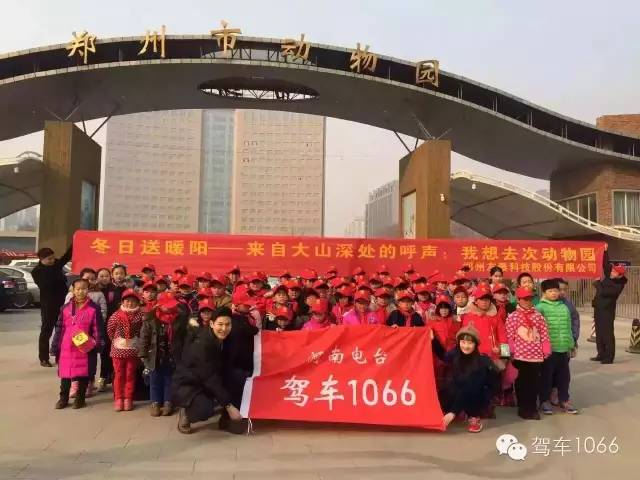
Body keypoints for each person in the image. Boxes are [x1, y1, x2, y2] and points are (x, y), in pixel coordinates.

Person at [172, 307, 243, 435]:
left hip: (212, 376)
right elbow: (209, 377)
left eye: (228, 324)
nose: (224, 328)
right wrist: (229, 406)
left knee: (238, 377)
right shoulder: (202, 343)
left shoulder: (230, 338)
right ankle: (186, 410)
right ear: (211, 324)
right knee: (204, 411)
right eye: (220, 324)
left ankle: (226, 421)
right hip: (191, 382)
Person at [434, 326, 500, 433]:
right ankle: (458, 409)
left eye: (470, 343)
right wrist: (433, 340)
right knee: (447, 391)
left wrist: (453, 412)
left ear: (475, 344)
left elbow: (470, 389)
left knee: (472, 395)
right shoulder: (455, 353)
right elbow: (444, 356)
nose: (466, 346)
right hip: (459, 388)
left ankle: (474, 416)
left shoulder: (481, 361)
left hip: (477, 393)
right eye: (463, 342)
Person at [50, 278, 101, 409]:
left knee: (83, 374)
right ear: (73, 290)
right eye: (78, 289)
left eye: (84, 288)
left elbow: (97, 328)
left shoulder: (94, 308)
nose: (80, 291)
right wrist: (55, 346)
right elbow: (59, 328)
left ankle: (80, 399)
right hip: (66, 347)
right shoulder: (65, 308)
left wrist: (97, 343)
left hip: (84, 346)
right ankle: (63, 398)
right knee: (65, 375)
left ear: (88, 290)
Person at [505, 287, 551, 420]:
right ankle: (523, 408)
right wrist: (511, 351)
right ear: (518, 300)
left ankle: (532, 408)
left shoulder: (538, 316)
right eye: (525, 299)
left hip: (535, 356)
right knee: (521, 383)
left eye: (530, 299)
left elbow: (544, 334)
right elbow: (509, 336)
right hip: (519, 356)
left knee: (534, 383)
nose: (527, 301)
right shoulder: (513, 317)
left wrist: (546, 349)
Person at [536, 279, 578, 414]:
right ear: (544, 293)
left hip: (563, 348)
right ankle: (544, 400)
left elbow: (568, 327)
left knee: (564, 377)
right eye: (550, 291)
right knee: (546, 377)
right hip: (548, 350)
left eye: (556, 290)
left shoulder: (564, 307)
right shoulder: (540, 308)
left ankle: (564, 400)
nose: (554, 293)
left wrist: (571, 345)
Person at [65, 268, 107, 399]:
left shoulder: (98, 295)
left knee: (89, 361)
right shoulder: (70, 296)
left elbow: (103, 312)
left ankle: (89, 383)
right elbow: (65, 314)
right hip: (74, 333)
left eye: (92, 279)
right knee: (74, 361)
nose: (89, 281)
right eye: (86, 278)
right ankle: (74, 384)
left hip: (90, 333)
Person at [139, 293, 181, 417]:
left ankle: (168, 401)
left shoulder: (178, 318)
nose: (169, 308)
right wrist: (143, 353)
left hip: (170, 355)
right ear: (160, 305)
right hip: (154, 355)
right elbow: (144, 337)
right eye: (167, 306)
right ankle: (155, 402)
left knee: (169, 379)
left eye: (171, 306)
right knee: (154, 380)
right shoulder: (150, 319)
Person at [32, 244, 73, 367]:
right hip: (49, 305)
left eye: (53, 258)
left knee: (63, 331)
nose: (52, 260)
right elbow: (45, 285)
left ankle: (60, 356)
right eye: (49, 259)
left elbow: (67, 256)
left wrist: (76, 241)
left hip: (63, 304)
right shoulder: (37, 271)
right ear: (41, 259)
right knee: (46, 331)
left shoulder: (56, 264)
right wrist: (54, 271)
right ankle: (44, 358)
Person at [107, 289, 145, 412]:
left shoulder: (141, 315)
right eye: (127, 301)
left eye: (133, 301)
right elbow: (110, 330)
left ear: (137, 302)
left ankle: (128, 398)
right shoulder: (116, 315)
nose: (130, 303)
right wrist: (116, 340)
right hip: (118, 351)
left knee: (130, 375)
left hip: (133, 350)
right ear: (122, 302)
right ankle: (119, 398)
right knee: (119, 375)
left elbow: (143, 330)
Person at [592, 249, 628, 364]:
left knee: (607, 334)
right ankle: (601, 354)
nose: (611, 272)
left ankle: (609, 357)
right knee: (599, 333)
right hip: (598, 309)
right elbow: (606, 265)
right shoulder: (610, 276)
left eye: (614, 272)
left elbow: (603, 292)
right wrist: (604, 250)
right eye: (612, 271)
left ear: (620, 275)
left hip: (607, 312)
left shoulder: (618, 285)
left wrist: (597, 283)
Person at [427, 295, 460, 388]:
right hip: (437, 355)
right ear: (438, 309)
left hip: (451, 354)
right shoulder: (431, 321)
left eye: (446, 308)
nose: (444, 310)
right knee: (438, 378)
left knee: (451, 378)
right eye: (441, 308)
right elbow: (428, 336)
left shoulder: (456, 321)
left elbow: (458, 337)